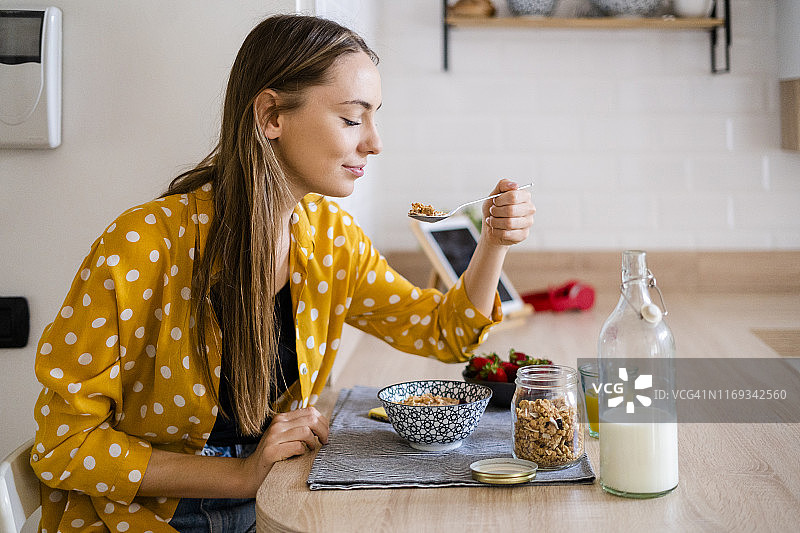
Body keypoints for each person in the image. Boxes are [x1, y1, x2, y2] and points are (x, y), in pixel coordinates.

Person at [30, 13, 535, 533]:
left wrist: (493, 244)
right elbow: (64, 444)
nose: (374, 143)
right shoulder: (142, 245)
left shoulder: (331, 239)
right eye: (351, 118)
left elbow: (443, 333)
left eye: (374, 117)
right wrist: (241, 476)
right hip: (144, 517)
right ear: (272, 114)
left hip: (277, 498)